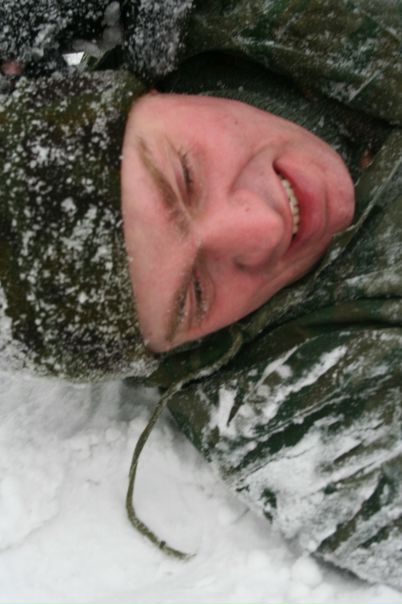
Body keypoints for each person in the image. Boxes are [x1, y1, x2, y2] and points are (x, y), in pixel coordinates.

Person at [1, 0, 401, 591]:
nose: (262, 228)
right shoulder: (294, 406)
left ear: (147, 92)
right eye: (194, 293)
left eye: (186, 176)